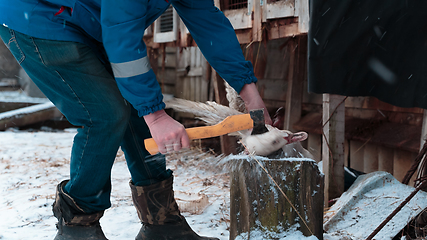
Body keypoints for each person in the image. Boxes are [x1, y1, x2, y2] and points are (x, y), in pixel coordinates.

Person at [0, 0, 272, 239]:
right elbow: (122, 36)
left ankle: (161, 223)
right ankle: (77, 227)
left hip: (90, 20)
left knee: (136, 111)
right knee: (104, 114)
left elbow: (210, 26)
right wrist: (156, 115)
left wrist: (251, 96)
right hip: (40, 16)